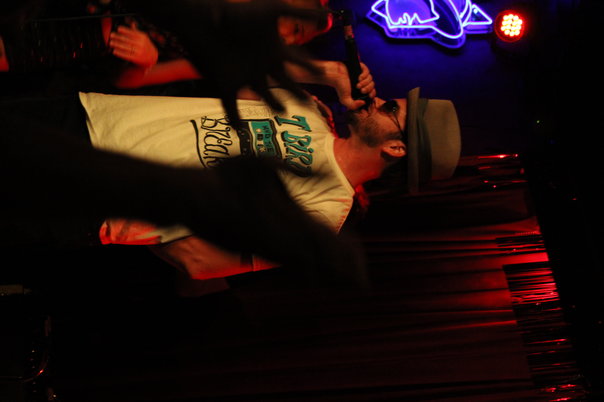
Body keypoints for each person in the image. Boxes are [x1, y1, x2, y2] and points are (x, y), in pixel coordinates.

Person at [71, 82, 460, 281]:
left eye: (390, 109)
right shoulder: (309, 107)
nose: (377, 101)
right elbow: (233, 74)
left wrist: (138, 214)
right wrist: (327, 75)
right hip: (85, 115)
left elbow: (200, 261)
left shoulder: (323, 218)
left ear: (396, 148)